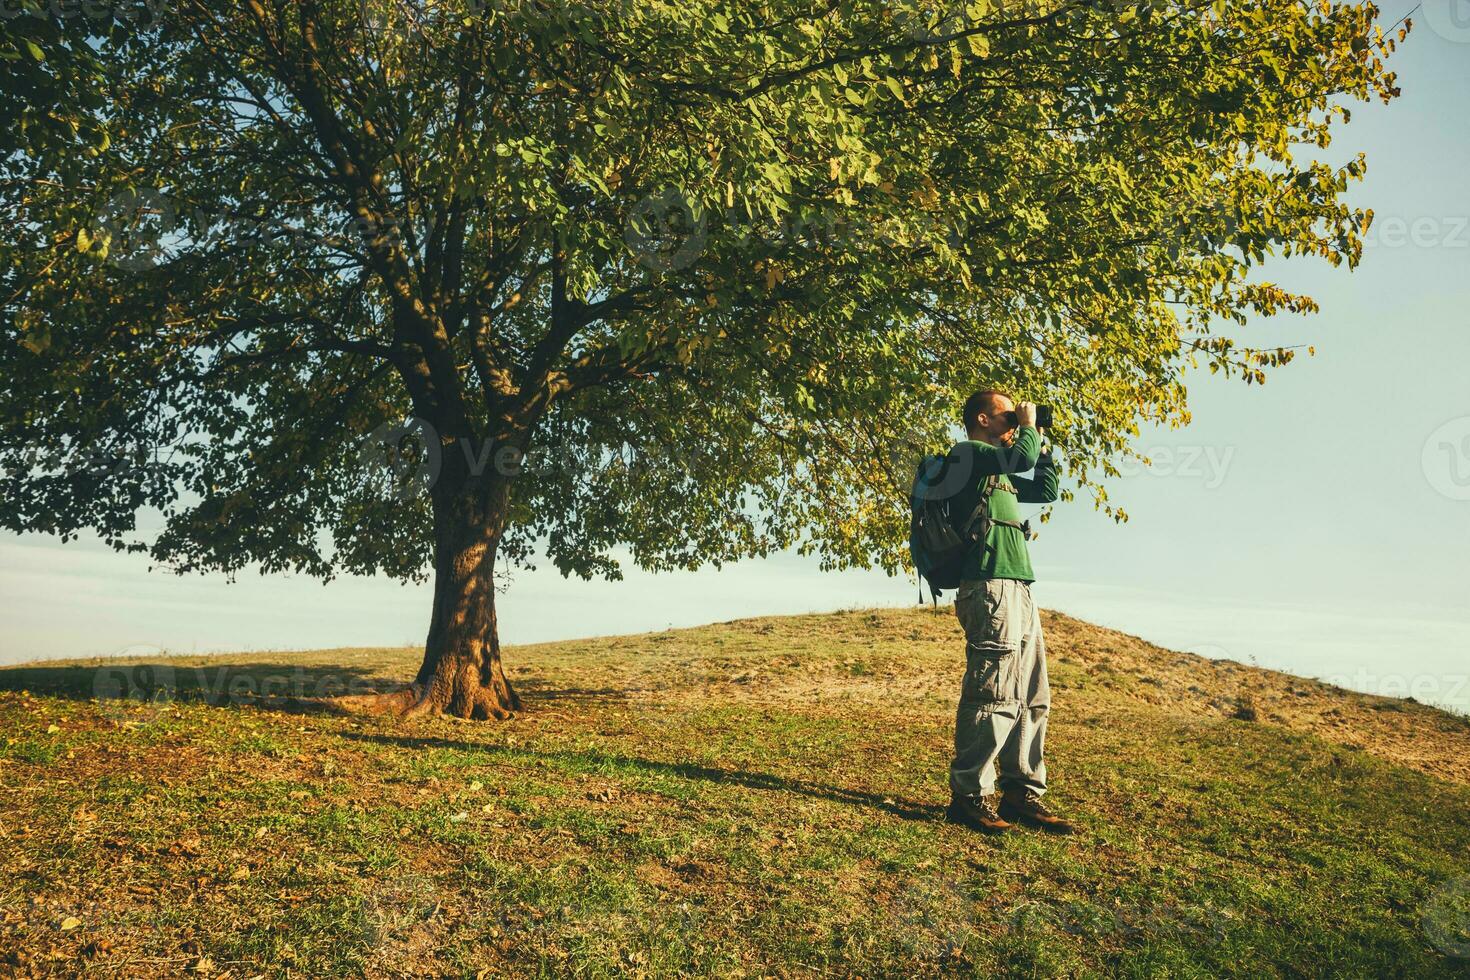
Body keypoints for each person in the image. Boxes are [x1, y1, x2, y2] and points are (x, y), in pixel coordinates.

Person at [942, 389, 1075, 836]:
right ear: (983, 419)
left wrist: (1040, 436)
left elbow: (1047, 488)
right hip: (987, 581)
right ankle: (970, 795)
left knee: (1033, 692)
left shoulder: (1001, 467)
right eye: (1008, 416)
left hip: (1019, 584)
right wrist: (1027, 433)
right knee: (994, 690)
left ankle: (1021, 791)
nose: (1015, 422)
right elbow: (1020, 461)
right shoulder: (969, 455)